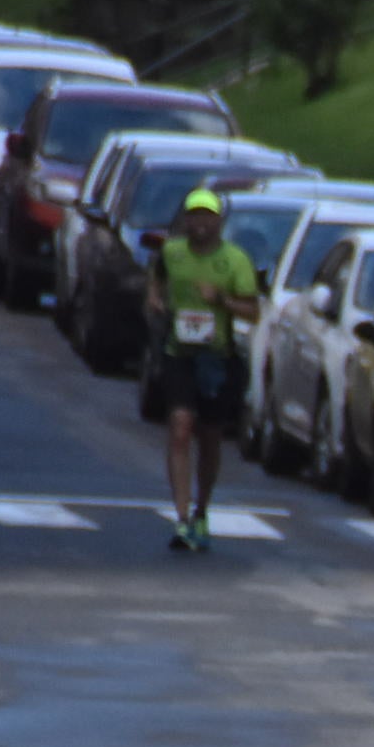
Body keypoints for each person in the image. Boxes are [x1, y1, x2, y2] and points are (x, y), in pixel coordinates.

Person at [145, 187, 260, 553]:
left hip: (217, 357)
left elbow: (253, 310)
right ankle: (180, 517)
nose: (200, 223)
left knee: (209, 437)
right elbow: (157, 273)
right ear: (186, 220)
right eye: (194, 215)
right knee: (180, 426)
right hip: (180, 352)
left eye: (207, 216)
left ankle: (201, 510)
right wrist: (155, 298)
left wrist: (221, 300)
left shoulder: (235, 260)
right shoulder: (173, 252)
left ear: (219, 222)